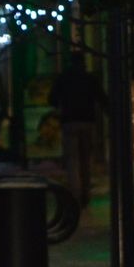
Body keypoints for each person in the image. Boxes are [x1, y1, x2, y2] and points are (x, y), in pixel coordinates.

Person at [49, 53, 107, 206]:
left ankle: (76, 193)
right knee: (86, 159)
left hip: (69, 122)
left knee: (73, 160)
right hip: (88, 121)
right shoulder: (89, 78)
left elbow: (52, 99)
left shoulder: (64, 78)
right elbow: (102, 98)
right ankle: (86, 193)